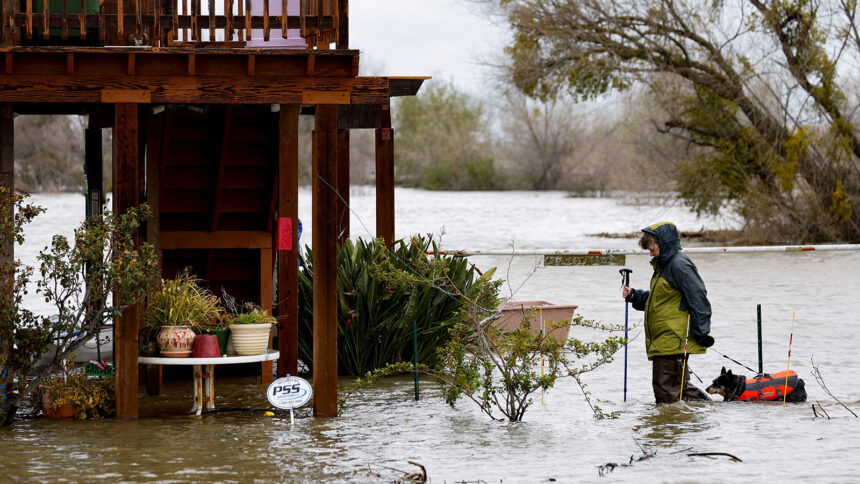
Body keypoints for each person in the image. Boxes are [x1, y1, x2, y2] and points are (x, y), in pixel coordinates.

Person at [621, 222, 714, 403]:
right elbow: (660, 301)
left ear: (664, 244)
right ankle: (703, 418)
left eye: (653, 249)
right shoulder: (663, 265)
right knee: (679, 387)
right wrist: (635, 296)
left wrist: (702, 332)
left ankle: (668, 428)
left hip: (672, 338)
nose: (651, 253)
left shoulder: (679, 265)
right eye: (649, 250)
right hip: (665, 337)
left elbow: (699, 298)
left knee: (665, 392)